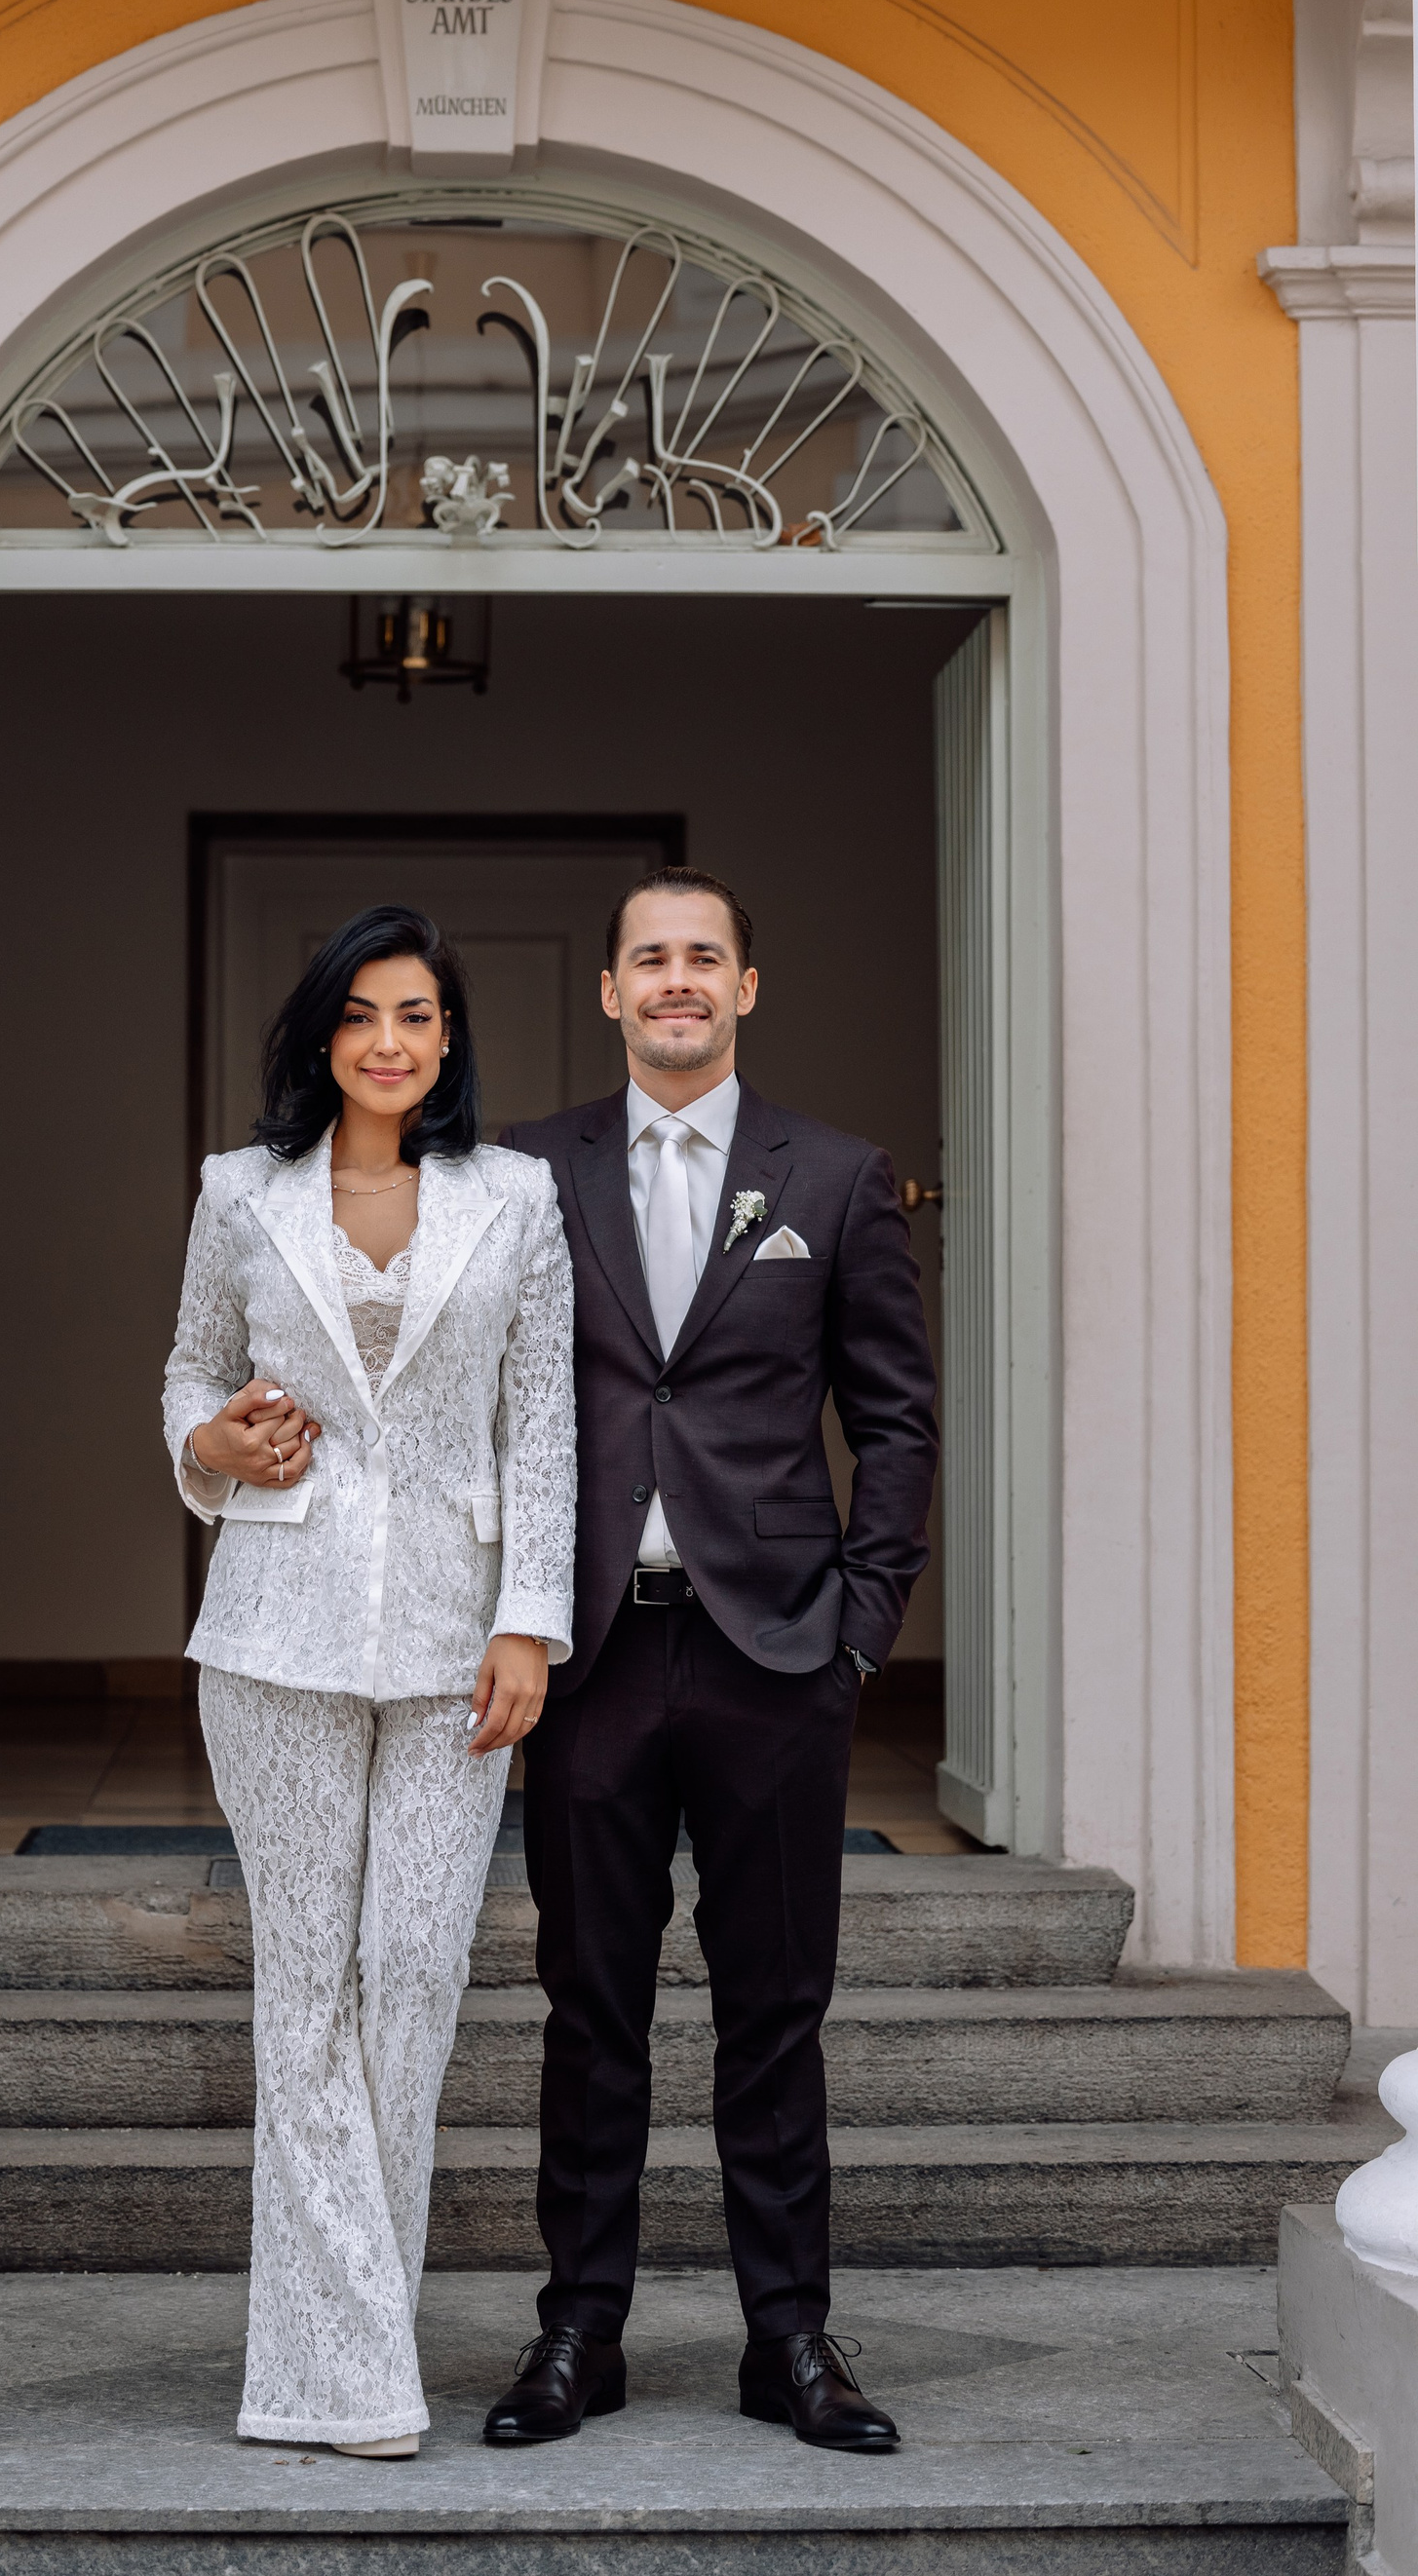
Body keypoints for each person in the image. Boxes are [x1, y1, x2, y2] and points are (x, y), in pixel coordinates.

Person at [486, 865, 938, 2456]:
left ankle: (790, 2339)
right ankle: (579, 2331)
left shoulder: (839, 1176)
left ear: (746, 986)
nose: (676, 979)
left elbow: (895, 1419)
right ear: (611, 991)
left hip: (776, 1654)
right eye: (649, 958)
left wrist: (860, 1629)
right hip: (593, 1655)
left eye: (704, 957)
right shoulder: (524, 1173)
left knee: (776, 2009)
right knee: (587, 2008)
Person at [162, 903, 575, 2460]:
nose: (387, 1040)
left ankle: (337, 2351)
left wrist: (530, 1618)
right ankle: (347, 2376)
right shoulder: (241, 1192)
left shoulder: (514, 1199)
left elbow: (544, 1423)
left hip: (461, 1639)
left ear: (449, 1039)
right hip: (275, 1630)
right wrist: (209, 1445)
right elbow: (191, 1372)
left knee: (410, 1971)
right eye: (359, 1014)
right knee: (306, 1983)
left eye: (414, 1014)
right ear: (321, 1036)